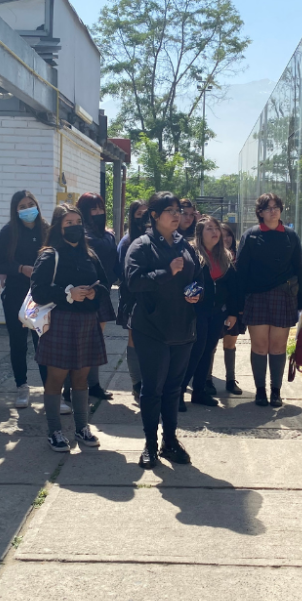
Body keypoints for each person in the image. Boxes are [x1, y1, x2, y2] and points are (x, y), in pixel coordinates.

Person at [125, 192, 201, 469]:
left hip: (183, 328)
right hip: (152, 328)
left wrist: (197, 292)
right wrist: (166, 272)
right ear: (154, 215)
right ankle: (150, 444)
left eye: (179, 210)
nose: (177, 215)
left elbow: (198, 279)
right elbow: (133, 282)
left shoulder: (185, 245)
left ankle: (170, 441)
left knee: (173, 390)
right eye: (170, 210)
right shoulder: (141, 246)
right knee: (152, 389)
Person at [29, 204, 107, 453]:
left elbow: (106, 284)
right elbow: (38, 292)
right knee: (56, 377)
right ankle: (54, 430)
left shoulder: (90, 255)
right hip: (60, 322)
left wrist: (95, 292)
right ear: (58, 227)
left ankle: (82, 427)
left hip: (87, 322)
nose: (75, 227)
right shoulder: (50, 255)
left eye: (78, 222)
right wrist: (68, 293)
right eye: (68, 223)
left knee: (82, 377)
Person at [235, 193, 302, 408]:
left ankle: (276, 391)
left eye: (276, 207)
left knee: (278, 346)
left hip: (283, 297)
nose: (273, 211)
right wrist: (237, 304)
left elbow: (299, 270)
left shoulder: (291, 236)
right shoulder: (251, 236)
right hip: (255, 297)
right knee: (259, 345)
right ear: (260, 212)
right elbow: (241, 272)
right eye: (268, 208)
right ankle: (260, 391)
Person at [0, 190, 49, 408]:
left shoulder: (46, 229)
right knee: (18, 343)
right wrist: (19, 268)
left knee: (43, 343)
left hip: (41, 295)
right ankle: (21, 386)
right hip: (16, 294)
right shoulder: (9, 232)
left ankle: (50, 389)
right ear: (16, 210)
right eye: (22, 206)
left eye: (31, 204)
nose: (28, 209)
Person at [180, 215, 240, 409]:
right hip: (196, 312)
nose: (215, 232)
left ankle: (199, 392)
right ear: (200, 233)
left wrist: (233, 313)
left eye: (216, 228)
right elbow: (182, 282)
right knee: (194, 352)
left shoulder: (225, 256)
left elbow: (233, 288)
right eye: (209, 229)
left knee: (208, 351)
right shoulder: (190, 254)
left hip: (217, 313)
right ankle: (178, 393)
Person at [72, 192, 116, 401]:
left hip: (102, 292)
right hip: (85, 294)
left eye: (101, 208)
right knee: (81, 342)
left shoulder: (107, 234)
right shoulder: (80, 234)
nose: (98, 212)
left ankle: (94, 384)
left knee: (96, 341)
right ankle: (74, 386)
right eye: (93, 209)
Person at [116, 200, 149, 401]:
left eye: (146, 212)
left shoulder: (157, 239)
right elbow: (123, 272)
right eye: (139, 213)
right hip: (132, 297)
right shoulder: (127, 242)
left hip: (154, 298)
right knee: (134, 340)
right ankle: (136, 382)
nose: (143, 216)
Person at [217, 224, 244, 395]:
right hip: (216, 307)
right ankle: (206, 379)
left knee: (230, 342)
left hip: (234, 308)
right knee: (211, 344)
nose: (226, 239)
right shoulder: (212, 256)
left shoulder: (239, 257)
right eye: (222, 235)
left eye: (228, 235)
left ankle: (230, 380)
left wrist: (238, 309)